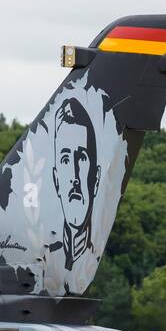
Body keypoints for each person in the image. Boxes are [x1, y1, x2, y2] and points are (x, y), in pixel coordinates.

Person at [50, 96, 100, 271]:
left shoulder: (93, 258)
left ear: (96, 179)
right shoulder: (46, 257)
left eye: (82, 158)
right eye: (65, 160)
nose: (75, 177)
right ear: (56, 179)